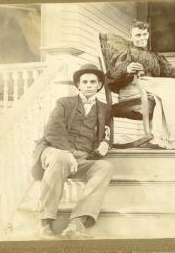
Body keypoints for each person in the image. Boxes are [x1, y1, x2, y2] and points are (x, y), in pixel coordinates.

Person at [30, 64, 113, 239]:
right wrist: (67, 153)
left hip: (82, 157)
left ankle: (76, 224)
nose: (89, 85)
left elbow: (108, 131)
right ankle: (44, 222)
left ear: (99, 85)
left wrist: (106, 142)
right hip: (54, 151)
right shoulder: (64, 103)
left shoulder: (104, 109)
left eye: (93, 82)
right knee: (61, 159)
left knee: (104, 167)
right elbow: (52, 130)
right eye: (85, 82)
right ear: (78, 85)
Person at [107, 20, 175, 149]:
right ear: (131, 37)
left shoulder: (154, 55)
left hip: (152, 86)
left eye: (144, 34)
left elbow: (167, 69)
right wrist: (127, 69)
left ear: (148, 34)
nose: (142, 38)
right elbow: (112, 74)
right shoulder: (125, 54)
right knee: (173, 89)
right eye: (138, 35)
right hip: (132, 88)